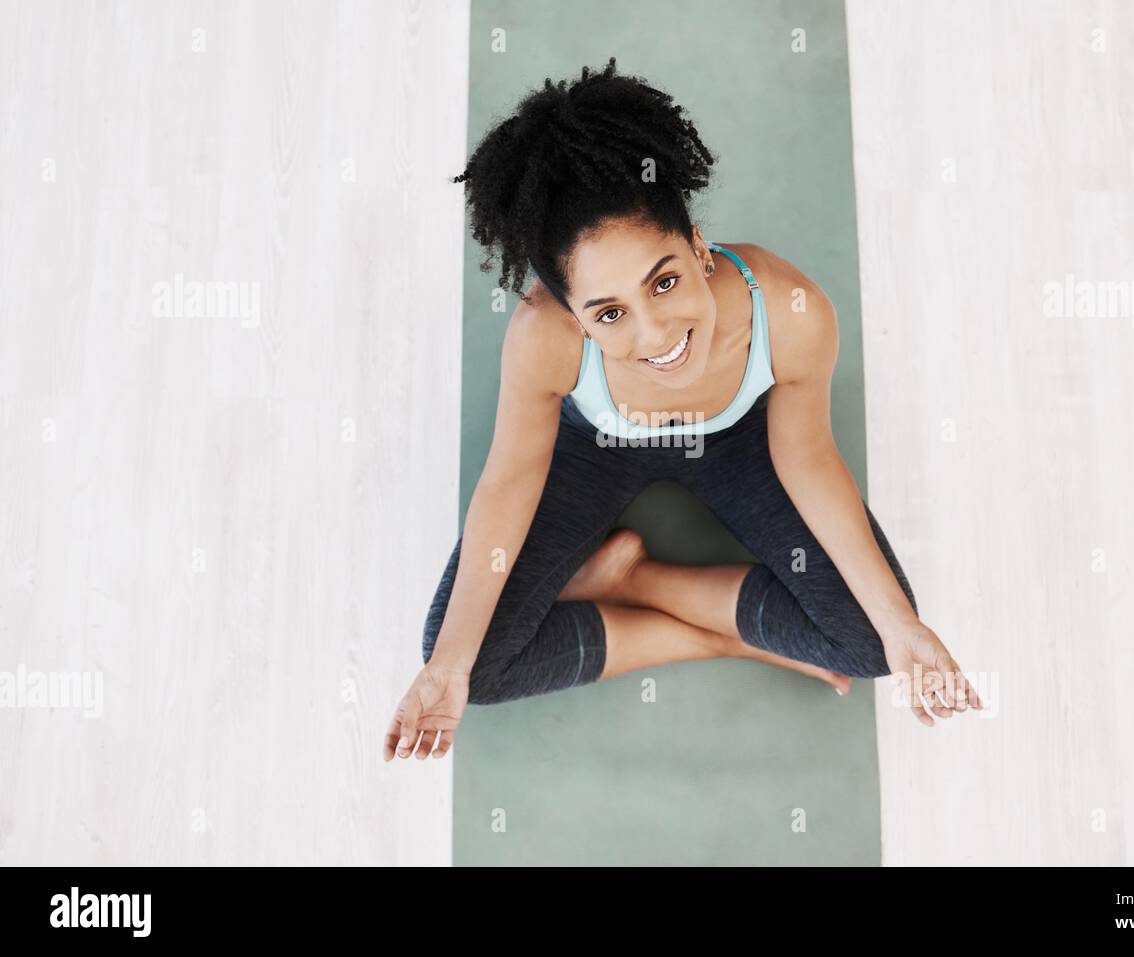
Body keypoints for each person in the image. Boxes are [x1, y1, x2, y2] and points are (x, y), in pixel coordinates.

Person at [384, 57, 981, 763]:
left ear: (698, 246)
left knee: (873, 640)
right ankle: (724, 635)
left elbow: (807, 456)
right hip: (598, 446)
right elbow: (510, 479)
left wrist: (901, 622)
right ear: (572, 316)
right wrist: (449, 665)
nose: (656, 334)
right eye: (609, 313)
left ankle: (633, 577)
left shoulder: (792, 313)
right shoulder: (540, 338)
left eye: (663, 281)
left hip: (734, 442)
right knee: (464, 664)